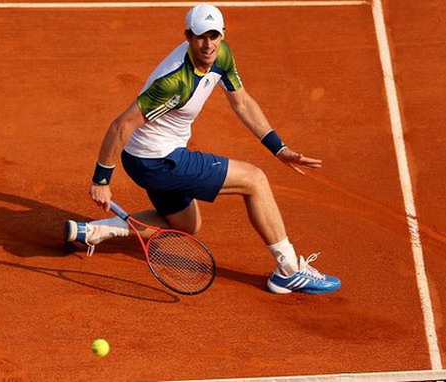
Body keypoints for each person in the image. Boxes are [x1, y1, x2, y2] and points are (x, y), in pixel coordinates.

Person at [65, 3, 340, 294]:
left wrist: (279, 149)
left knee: (185, 225)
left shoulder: (221, 54)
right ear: (187, 36)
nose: (208, 44)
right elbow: (120, 126)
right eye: (200, 37)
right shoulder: (174, 82)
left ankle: (94, 231)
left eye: (214, 36)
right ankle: (288, 270)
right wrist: (101, 180)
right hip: (158, 159)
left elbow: (242, 102)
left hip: (150, 157)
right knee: (255, 180)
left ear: (222, 34)